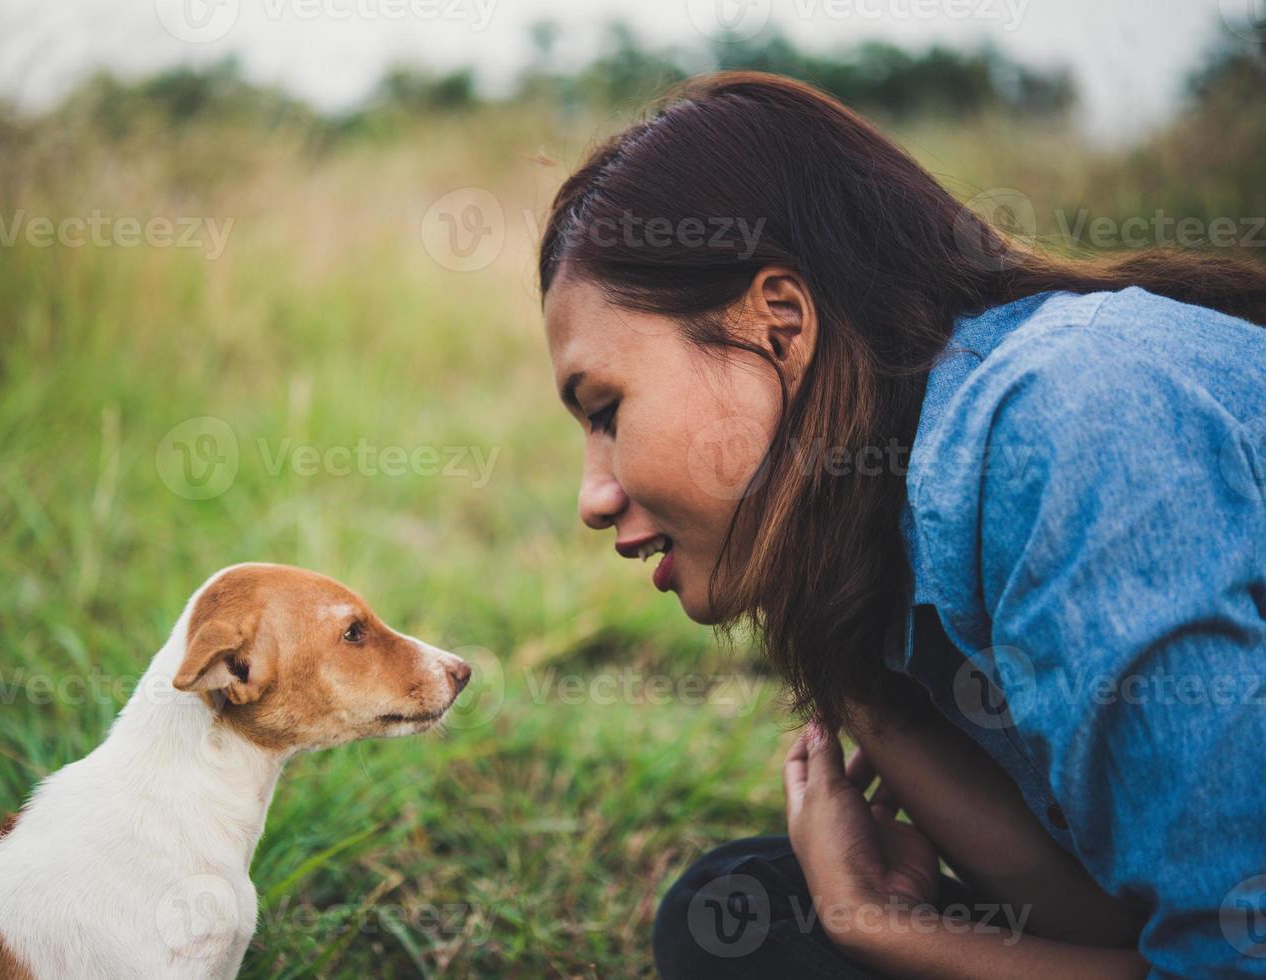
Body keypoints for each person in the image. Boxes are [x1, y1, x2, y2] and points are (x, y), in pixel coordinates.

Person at [538, 71, 1266, 977]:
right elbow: (1113, 925)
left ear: (778, 324)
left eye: (605, 410)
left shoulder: (1066, 417)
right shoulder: (879, 523)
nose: (592, 497)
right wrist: (876, 745)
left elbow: (1224, 960)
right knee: (742, 914)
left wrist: (897, 935)